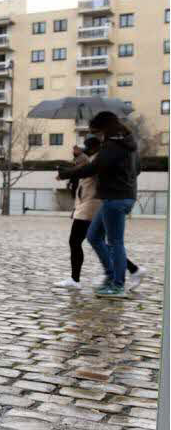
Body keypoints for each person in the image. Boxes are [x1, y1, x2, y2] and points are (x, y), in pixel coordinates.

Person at [57, 112, 145, 298]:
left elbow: (93, 168)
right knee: (94, 236)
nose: (96, 136)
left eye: (96, 132)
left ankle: (118, 285)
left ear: (105, 128)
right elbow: (137, 169)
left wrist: (67, 173)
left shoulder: (113, 145)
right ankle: (111, 276)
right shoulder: (125, 143)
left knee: (115, 243)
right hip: (116, 196)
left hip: (116, 198)